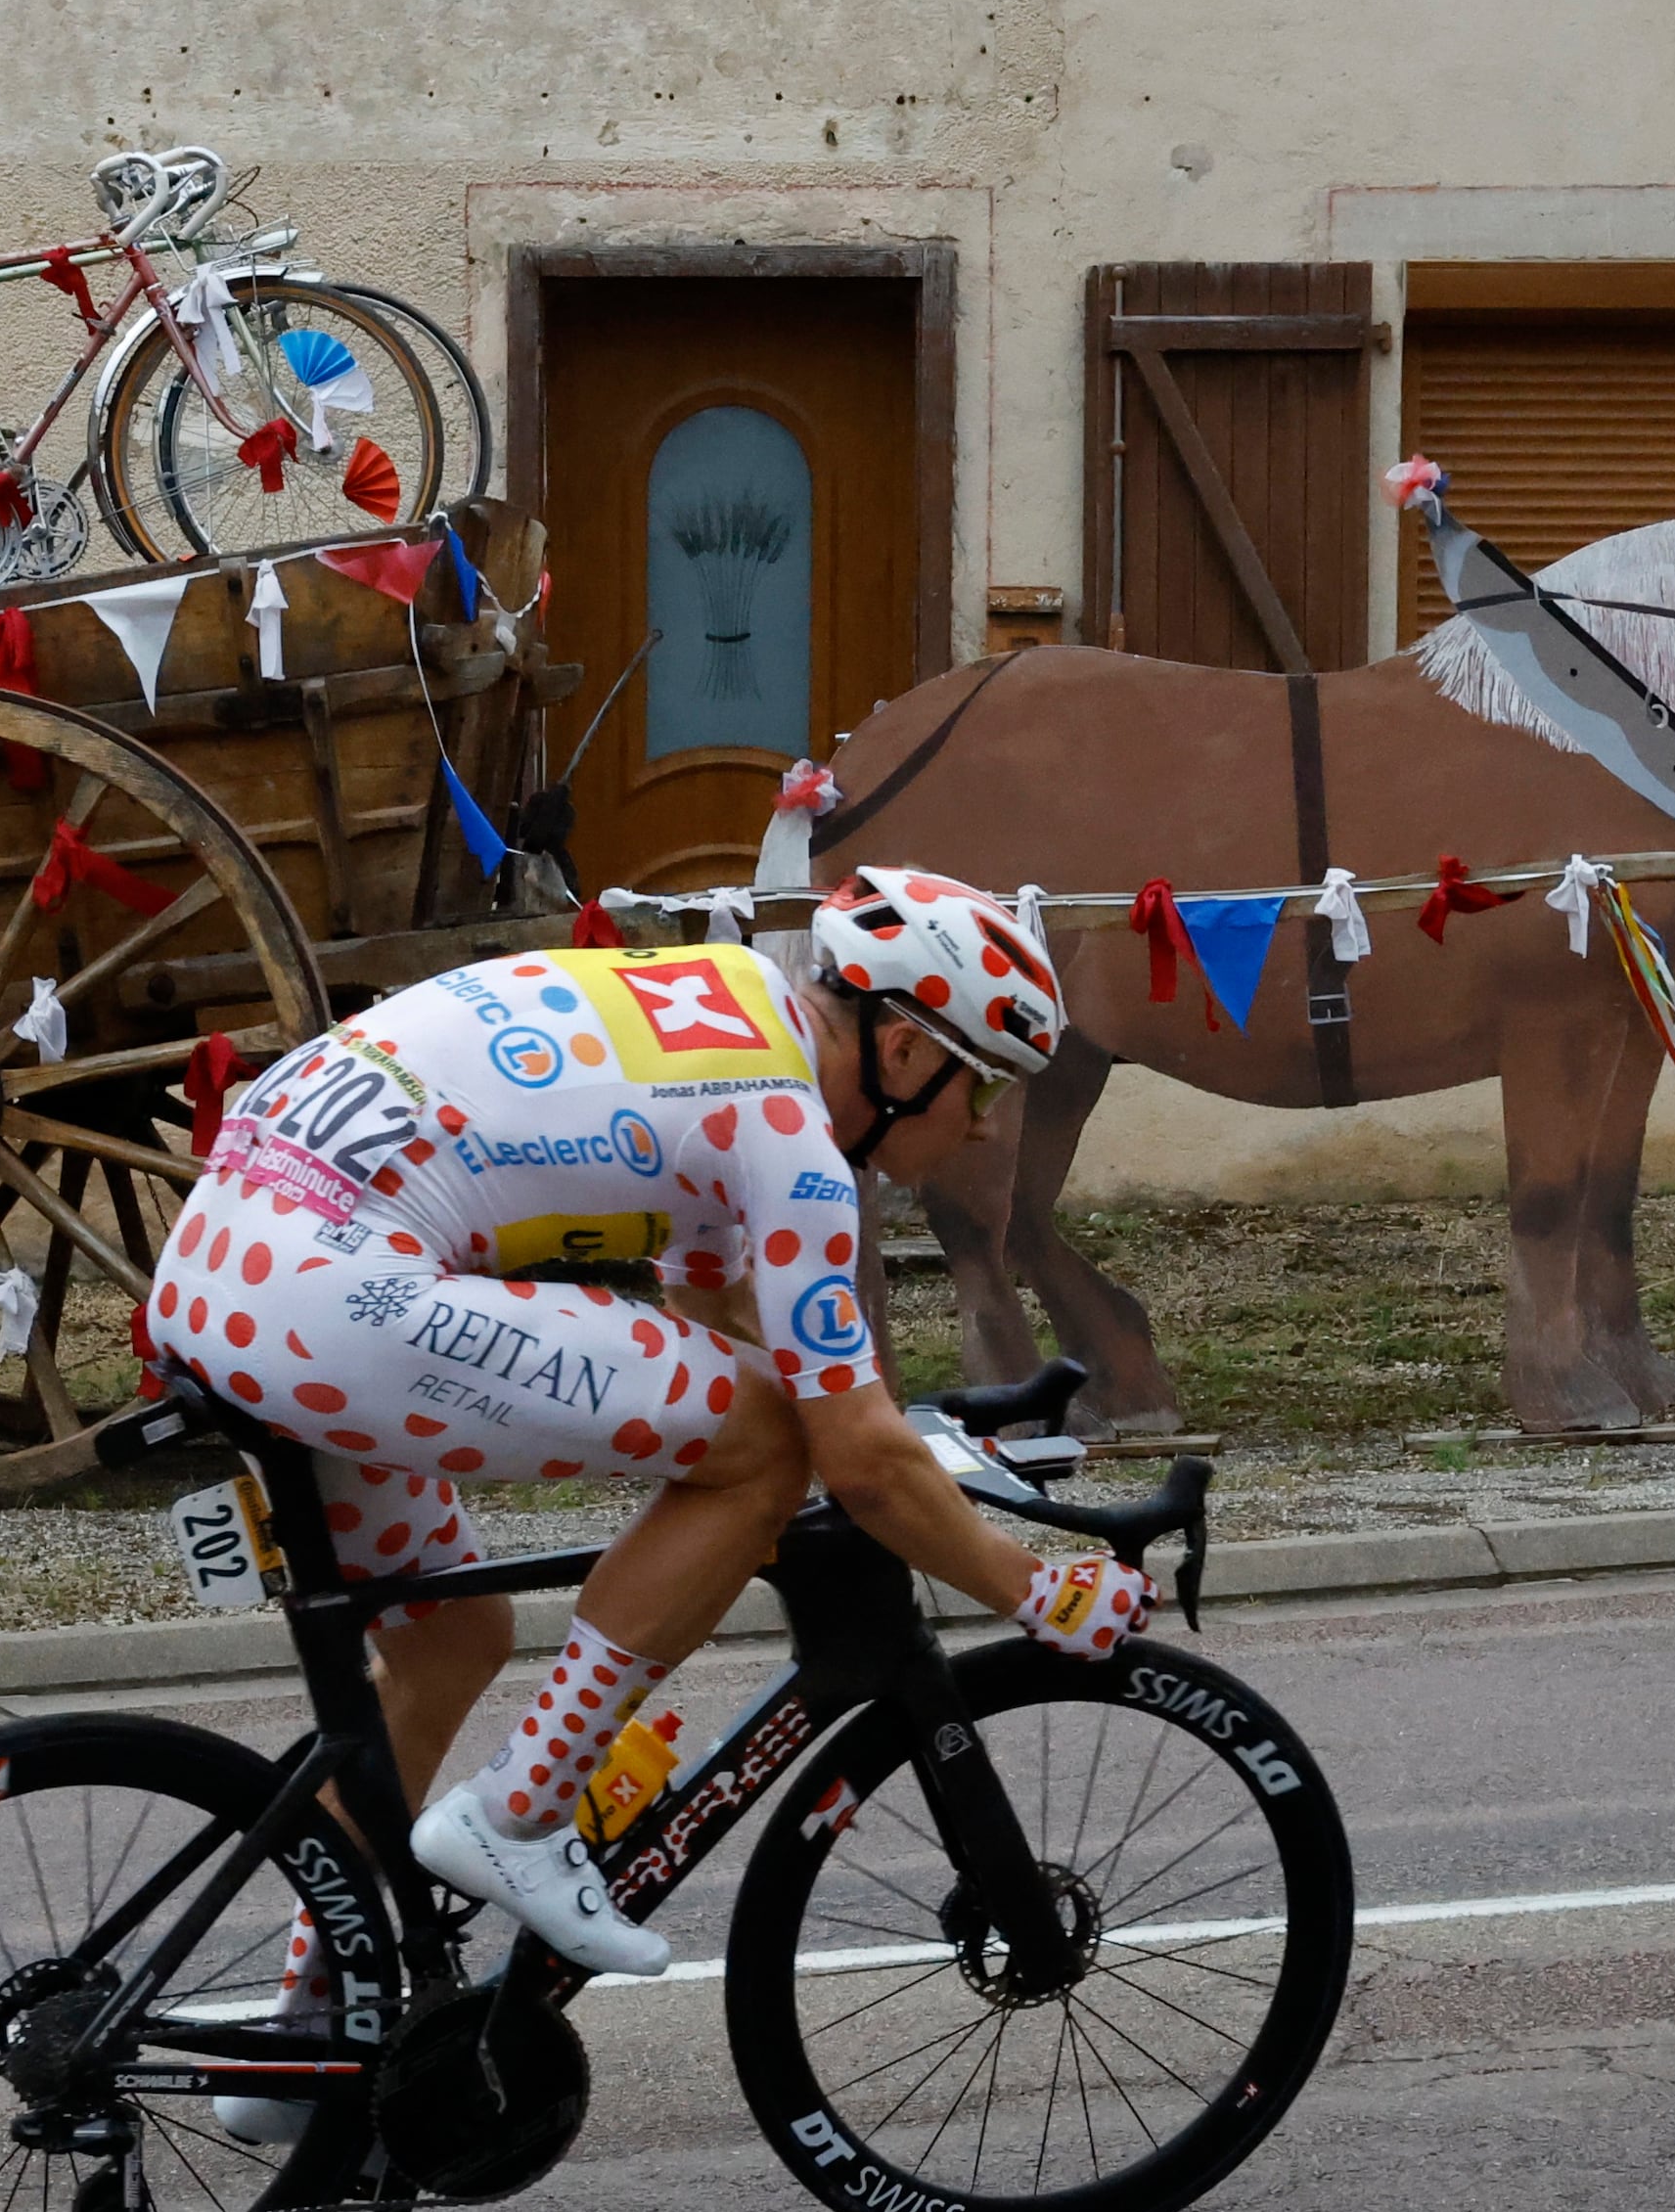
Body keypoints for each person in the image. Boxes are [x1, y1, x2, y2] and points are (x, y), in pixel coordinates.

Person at [149, 870, 1149, 2045]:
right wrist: (1039, 1588)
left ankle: (314, 2014)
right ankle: (518, 1814)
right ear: (902, 1050)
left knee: (451, 1635)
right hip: (329, 1292)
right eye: (979, 1085)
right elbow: (848, 1453)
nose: (982, 1124)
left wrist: (867, 1431)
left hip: (229, 1270)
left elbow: (716, 1302)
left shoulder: (724, 1012)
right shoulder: (792, 1139)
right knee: (763, 1443)